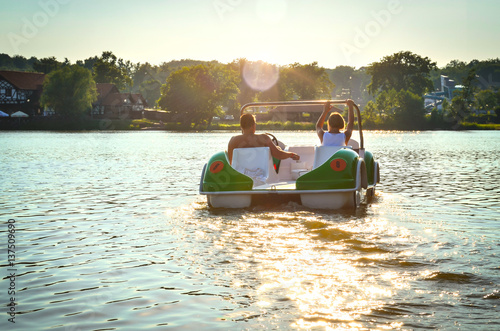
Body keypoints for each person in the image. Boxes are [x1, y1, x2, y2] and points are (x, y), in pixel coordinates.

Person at [228, 113, 300, 164]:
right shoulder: (263, 138)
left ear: (241, 126)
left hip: (240, 174)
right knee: (277, 148)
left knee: (277, 148)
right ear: (253, 125)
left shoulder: (233, 140)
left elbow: (230, 162)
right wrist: (292, 155)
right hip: (261, 174)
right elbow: (278, 155)